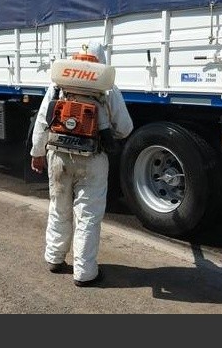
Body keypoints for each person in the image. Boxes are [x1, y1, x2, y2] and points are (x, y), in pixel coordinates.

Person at [29, 41, 133, 287]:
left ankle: (54, 258)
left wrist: (37, 152)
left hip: (57, 156)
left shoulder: (58, 85)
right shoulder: (108, 88)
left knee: (59, 207)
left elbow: (43, 122)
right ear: (101, 61)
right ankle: (85, 273)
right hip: (93, 159)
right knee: (87, 214)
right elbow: (125, 128)